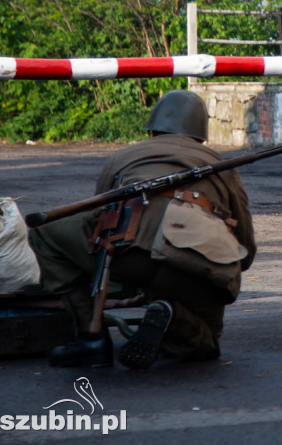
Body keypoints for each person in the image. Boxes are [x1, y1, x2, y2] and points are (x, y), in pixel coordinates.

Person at [29, 90, 255, 369]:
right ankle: (173, 317)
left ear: (153, 131)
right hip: (203, 266)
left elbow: (98, 218)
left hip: (130, 252)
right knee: (206, 344)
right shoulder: (224, 165)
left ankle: (91, 339)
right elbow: (245, 247)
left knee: (45, 233)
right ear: (201, 136)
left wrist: (123, 284)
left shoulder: (124, 156)